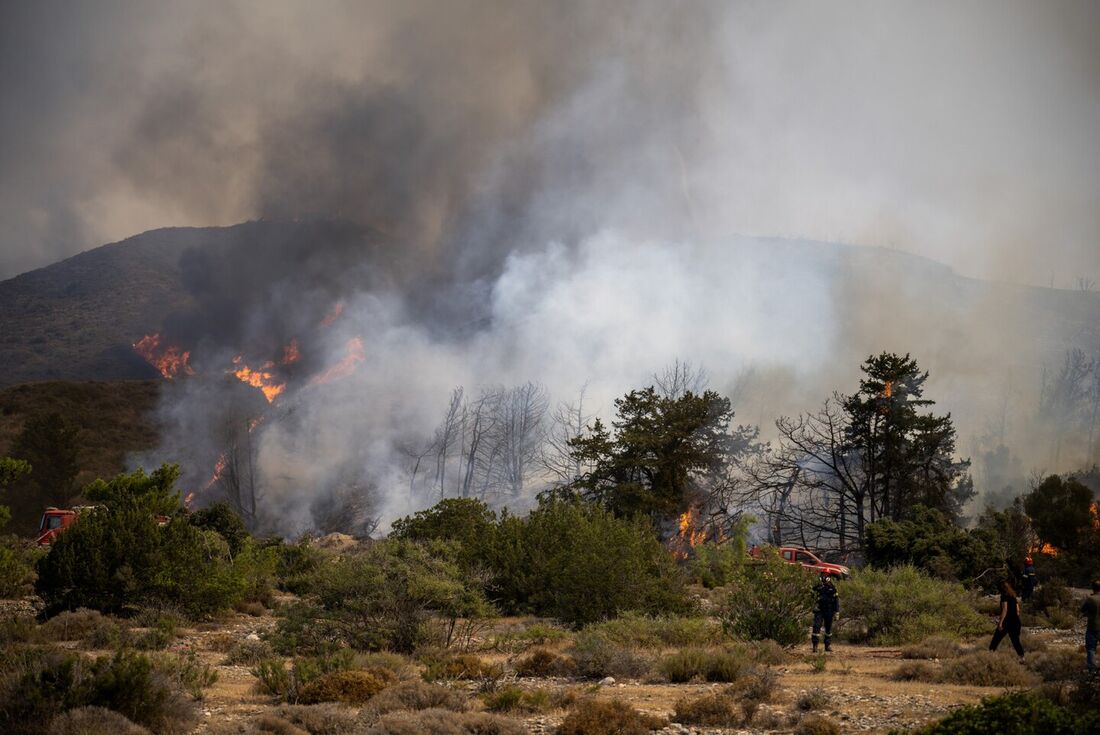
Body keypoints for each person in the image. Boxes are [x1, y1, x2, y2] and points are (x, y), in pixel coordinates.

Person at [989, 579, 1024, 660]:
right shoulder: (1013, 596)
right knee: (1015, 641)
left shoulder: (1004, 596)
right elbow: (1018, 610)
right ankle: (1022, 658)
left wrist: (1000, 622)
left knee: (995, 640)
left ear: (1001, 588)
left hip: (1007, 622)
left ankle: (989, 655)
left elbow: (1005, 609)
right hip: (1016, 621)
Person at [812, 572, 840, 653]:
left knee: (828, 629)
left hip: (829, 611)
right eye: (823, 575)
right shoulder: (817, 587)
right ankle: (815, 646)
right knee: (816, 627)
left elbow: (836, 601)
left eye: (826, 575)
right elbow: (811, 596)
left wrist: (837, 612)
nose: (824, 577)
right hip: (819, 610)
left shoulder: (833, 588)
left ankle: (827, 646)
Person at [1081, 579, 1100, 676]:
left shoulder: (1091, 599)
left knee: (1091, 648)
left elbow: (1082, 609)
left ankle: (1092, 671)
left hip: (1093, 627)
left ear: (1093, 588)